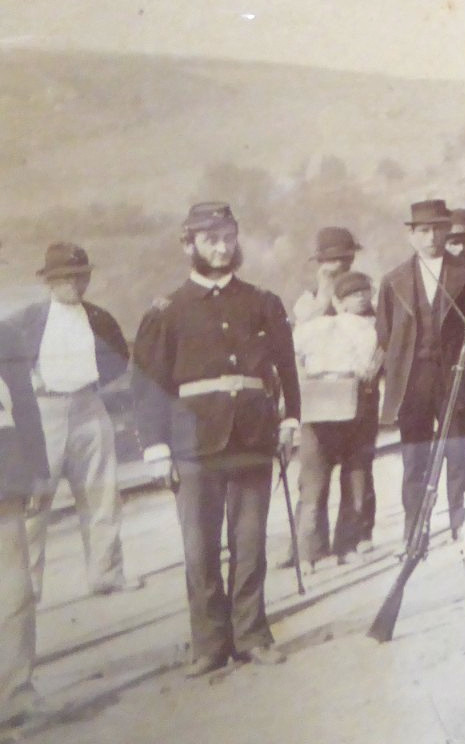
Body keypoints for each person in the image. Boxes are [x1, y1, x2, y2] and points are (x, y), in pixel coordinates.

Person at [132, 202, 300, 675]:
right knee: (200, 548)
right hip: (192, 443)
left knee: (250, 544)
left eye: (227, 237)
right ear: (188, 245)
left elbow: (286, 368)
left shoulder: (263, 302)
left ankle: (252, 635)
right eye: (210, 240)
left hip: (251, 436)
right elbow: (148, 385)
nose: (222, 248)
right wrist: (155, 446)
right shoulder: (166, 312)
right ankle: (208, 644)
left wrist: (290, 421)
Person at [10, 243, 135, 599]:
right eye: (66, 278)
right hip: (43, 411)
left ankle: (106, 574)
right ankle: (26, 588)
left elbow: (120, 358)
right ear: (49, 281)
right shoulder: (27, 320)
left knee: (102, 496)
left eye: (82, 277)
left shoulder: (98, 318)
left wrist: (93, 383)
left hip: (88, 407)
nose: (75, 285)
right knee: (34, 504)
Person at [375, 198, 465, 550]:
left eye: (437, 228)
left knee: (458, 451)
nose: (431, 236)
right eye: (423, 230)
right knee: (414, 456)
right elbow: (385, 336)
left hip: (455, 374)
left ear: (448, 230)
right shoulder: (393, 281)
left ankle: (460, 520)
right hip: (412, 380)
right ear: (411, 236)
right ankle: (413, 527)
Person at [292, 271, 379, 569]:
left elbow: (370, 364)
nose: (362, 298)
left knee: (355, 479)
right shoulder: (316, 327)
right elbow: (294, 353)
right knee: (314, 484)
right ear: (338, 302)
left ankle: (347, 544)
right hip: (321, 408)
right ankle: (310, 551)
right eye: (354, 294)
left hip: (354, 407)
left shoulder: (374, 328)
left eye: (365, 292)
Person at [0, 267, 49, 728]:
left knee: (13, 588)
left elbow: (25, 403)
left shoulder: (6, 334)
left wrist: (38, 470)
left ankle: (15, 691)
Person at [292, 227, 362, 325]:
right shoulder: (307, 301)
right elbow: (306, 326)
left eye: (346, 259)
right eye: (332, 259)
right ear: (321, 262)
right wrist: (324, 292)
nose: (338, 265)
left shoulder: (363, 292)